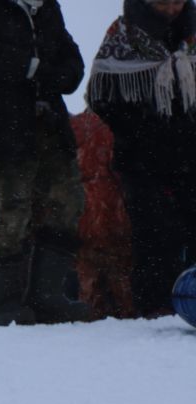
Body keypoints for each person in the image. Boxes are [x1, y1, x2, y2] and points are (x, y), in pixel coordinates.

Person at [0, 0, 88, 324]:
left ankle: (47, 299)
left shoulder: (47, 7)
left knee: (67, 203)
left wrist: (49, 72)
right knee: (11, 213)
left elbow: (71, 64)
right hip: (4, 130)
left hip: (49, 125)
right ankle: (6, 307)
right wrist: (29, 67)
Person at [86, 0, 196, 316]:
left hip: (191, 155)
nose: (173, 6)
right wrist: (141, 129)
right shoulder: (123, 35)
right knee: (155, 236)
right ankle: (155, 308)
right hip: (142, 159)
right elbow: (101, 96)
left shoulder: (192, 33)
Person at [72, 108, 135, 318]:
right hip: (112, 205)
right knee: (121, 272)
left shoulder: (75, 127)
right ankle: (126, 314)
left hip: (82, 206)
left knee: (87, 272)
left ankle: (90, 314)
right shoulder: (116, 125)